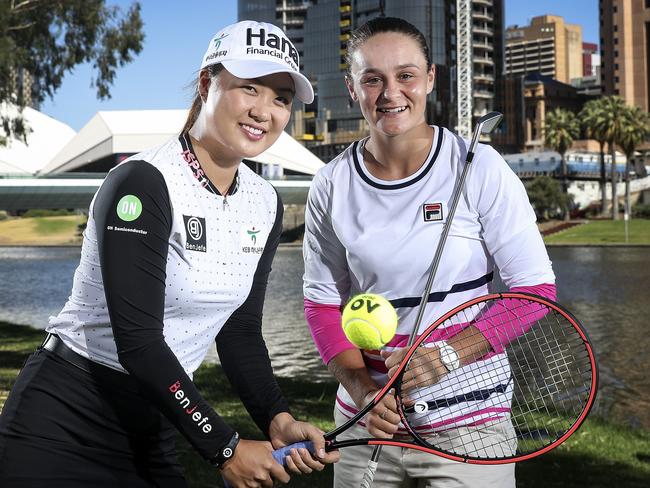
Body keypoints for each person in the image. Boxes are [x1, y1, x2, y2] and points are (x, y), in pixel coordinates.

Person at [0, 20, 338, 488]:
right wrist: (224, 447)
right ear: (206, 84)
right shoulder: (142, 182)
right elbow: (138, 343)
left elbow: (239, 332)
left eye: (281, 98)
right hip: (63, 419)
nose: (265, 111)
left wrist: (276, 418)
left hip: (155, 420)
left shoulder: (265, 201)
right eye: (250, 88)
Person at [303, 17, 556, 488]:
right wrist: (361, 392)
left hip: (471, 428)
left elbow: (535, 291)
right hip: (369, 426)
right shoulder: (330, 183)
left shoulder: (478, 166)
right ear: (351, 88)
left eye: (406, 75)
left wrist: (447, 356)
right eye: (372, 78)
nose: (390, 93)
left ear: (431, 78)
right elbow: (320, 302)